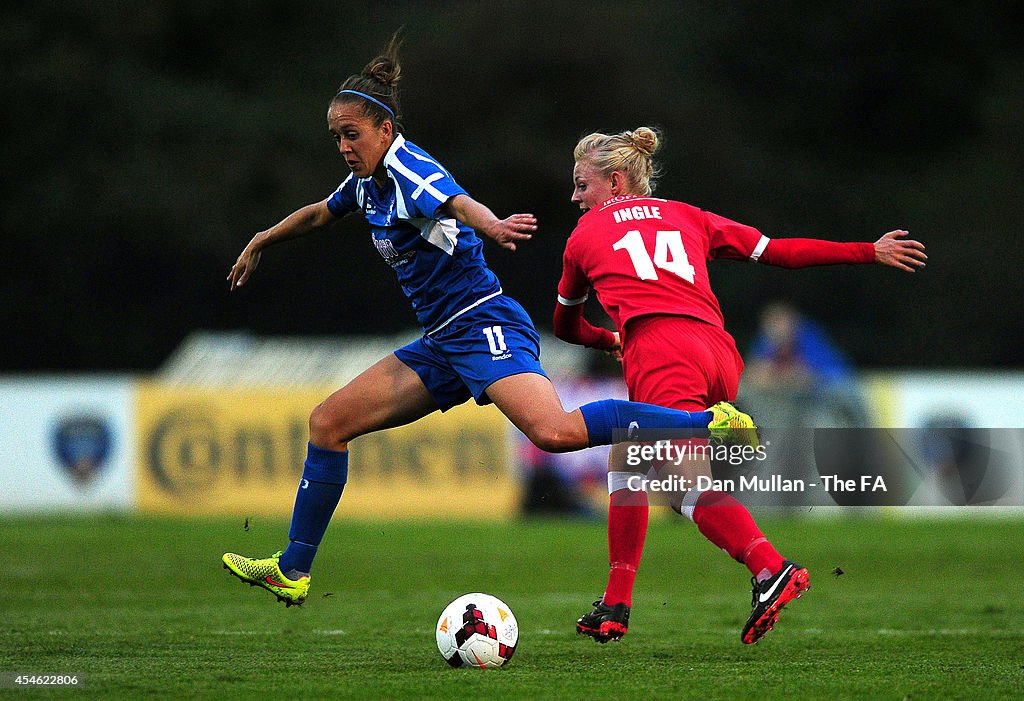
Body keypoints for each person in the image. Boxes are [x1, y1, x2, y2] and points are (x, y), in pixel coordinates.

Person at [219, 37, 756, 607]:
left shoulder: (406, 166)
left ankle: (704, 423)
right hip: (442, 341)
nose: (344, 146)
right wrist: (263, 238)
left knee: (553, 432)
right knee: (328, 423)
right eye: (337, 137)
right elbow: (323, 212)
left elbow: (454, 201)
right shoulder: (368, 181)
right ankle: (292, 570)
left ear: (384, 128)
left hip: (483, 324)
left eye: (352, 134)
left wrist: (493, 225)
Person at [554, 127, 926, 644]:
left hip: (662, 352)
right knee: (628, 462)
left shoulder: (583, 237)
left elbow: (565, 327)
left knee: (683, 484)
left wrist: (608, 338)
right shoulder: (689, 215)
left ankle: (770, 568)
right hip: (719, 353)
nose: (574, 197)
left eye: (581, 185)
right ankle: (615, 603)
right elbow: (781, 252)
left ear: (615, 182)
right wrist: (868, 250)